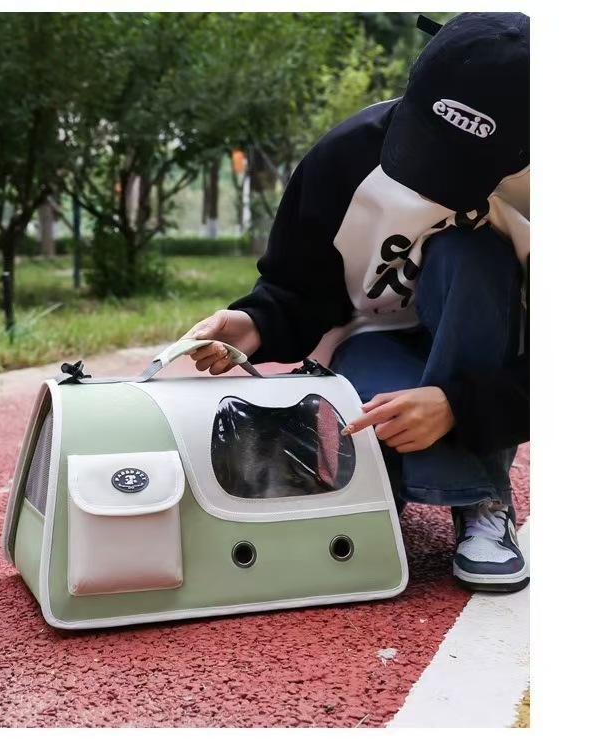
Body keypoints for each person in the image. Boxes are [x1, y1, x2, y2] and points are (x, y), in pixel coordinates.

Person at [182, 12, 530, 593]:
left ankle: (480, 498)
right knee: (373, 447)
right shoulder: (345, 156)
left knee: (470, 255)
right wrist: (253, 322)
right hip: (368, 337)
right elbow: (297, 287)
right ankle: (384, 482)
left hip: (487, 341)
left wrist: (459, 407)